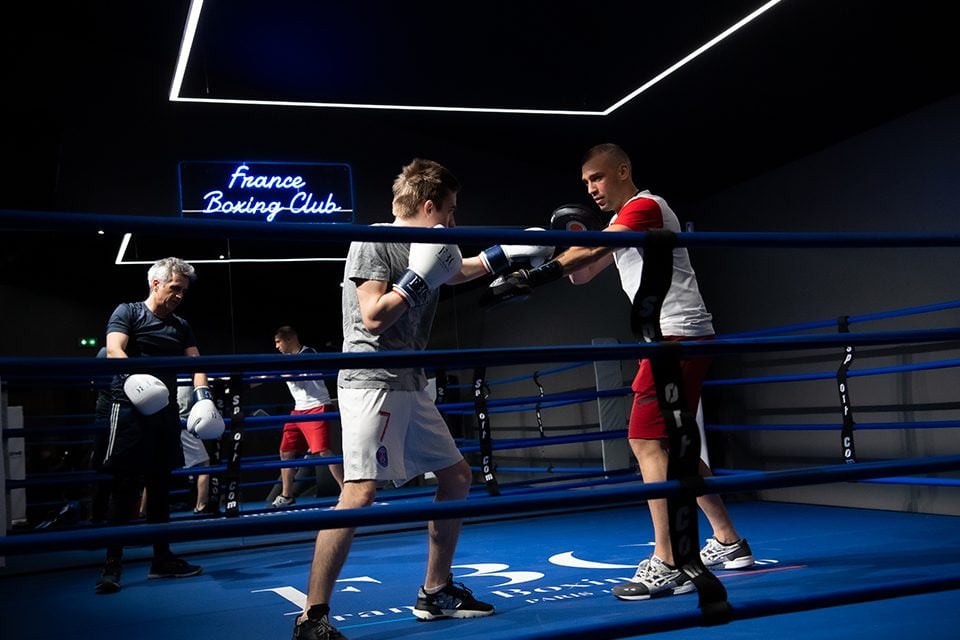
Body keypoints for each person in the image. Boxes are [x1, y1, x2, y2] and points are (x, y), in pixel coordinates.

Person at [292, 158, 552, 639]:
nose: (454, 223)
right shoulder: (375, 240)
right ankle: (312, 618)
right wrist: (415, 280)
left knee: (456, 476)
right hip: (371, 381)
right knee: (359, 492)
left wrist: (511, 250)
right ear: (429, 206)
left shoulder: (431, 244)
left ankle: (435, 591)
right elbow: (372, 317)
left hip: (410, 381)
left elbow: (457, 270)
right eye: (450, 212)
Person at [483, 143, 755, 601]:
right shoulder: (617, 225)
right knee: (671, 444)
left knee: (645, 441)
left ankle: (669, 561)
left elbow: (581, 259)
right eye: (586, 183)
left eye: (598, 178)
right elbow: (582, 273)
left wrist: (532, 275)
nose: (592, 188)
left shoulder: (646, 207)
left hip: (677, 338)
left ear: (623, 171)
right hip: (676, 338)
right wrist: (558, 246)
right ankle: (729, 542)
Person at [94, 257, 222, 594]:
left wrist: (203, 395)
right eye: (174, 288)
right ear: (155, 284)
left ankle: (161, 559)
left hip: (162, 410)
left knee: (161, 485)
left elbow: (197, 363)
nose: (180, 295)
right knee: (124, 487)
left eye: (184, 291)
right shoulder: (129, 312)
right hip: (126, 407)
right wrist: (137, 379)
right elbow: (113, 350)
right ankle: (112, 565)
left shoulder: (180, 325)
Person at [270, 326, 344, 507]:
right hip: (298, 410)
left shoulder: (308, 353)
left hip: (317, 407)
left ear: (289, 340)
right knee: (285, 452)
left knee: (323, 452)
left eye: (279, 342)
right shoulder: (285, 359)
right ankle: (287, 495)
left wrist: (279, 369)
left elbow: (294, 374)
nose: (277, 347)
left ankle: (346, 491)